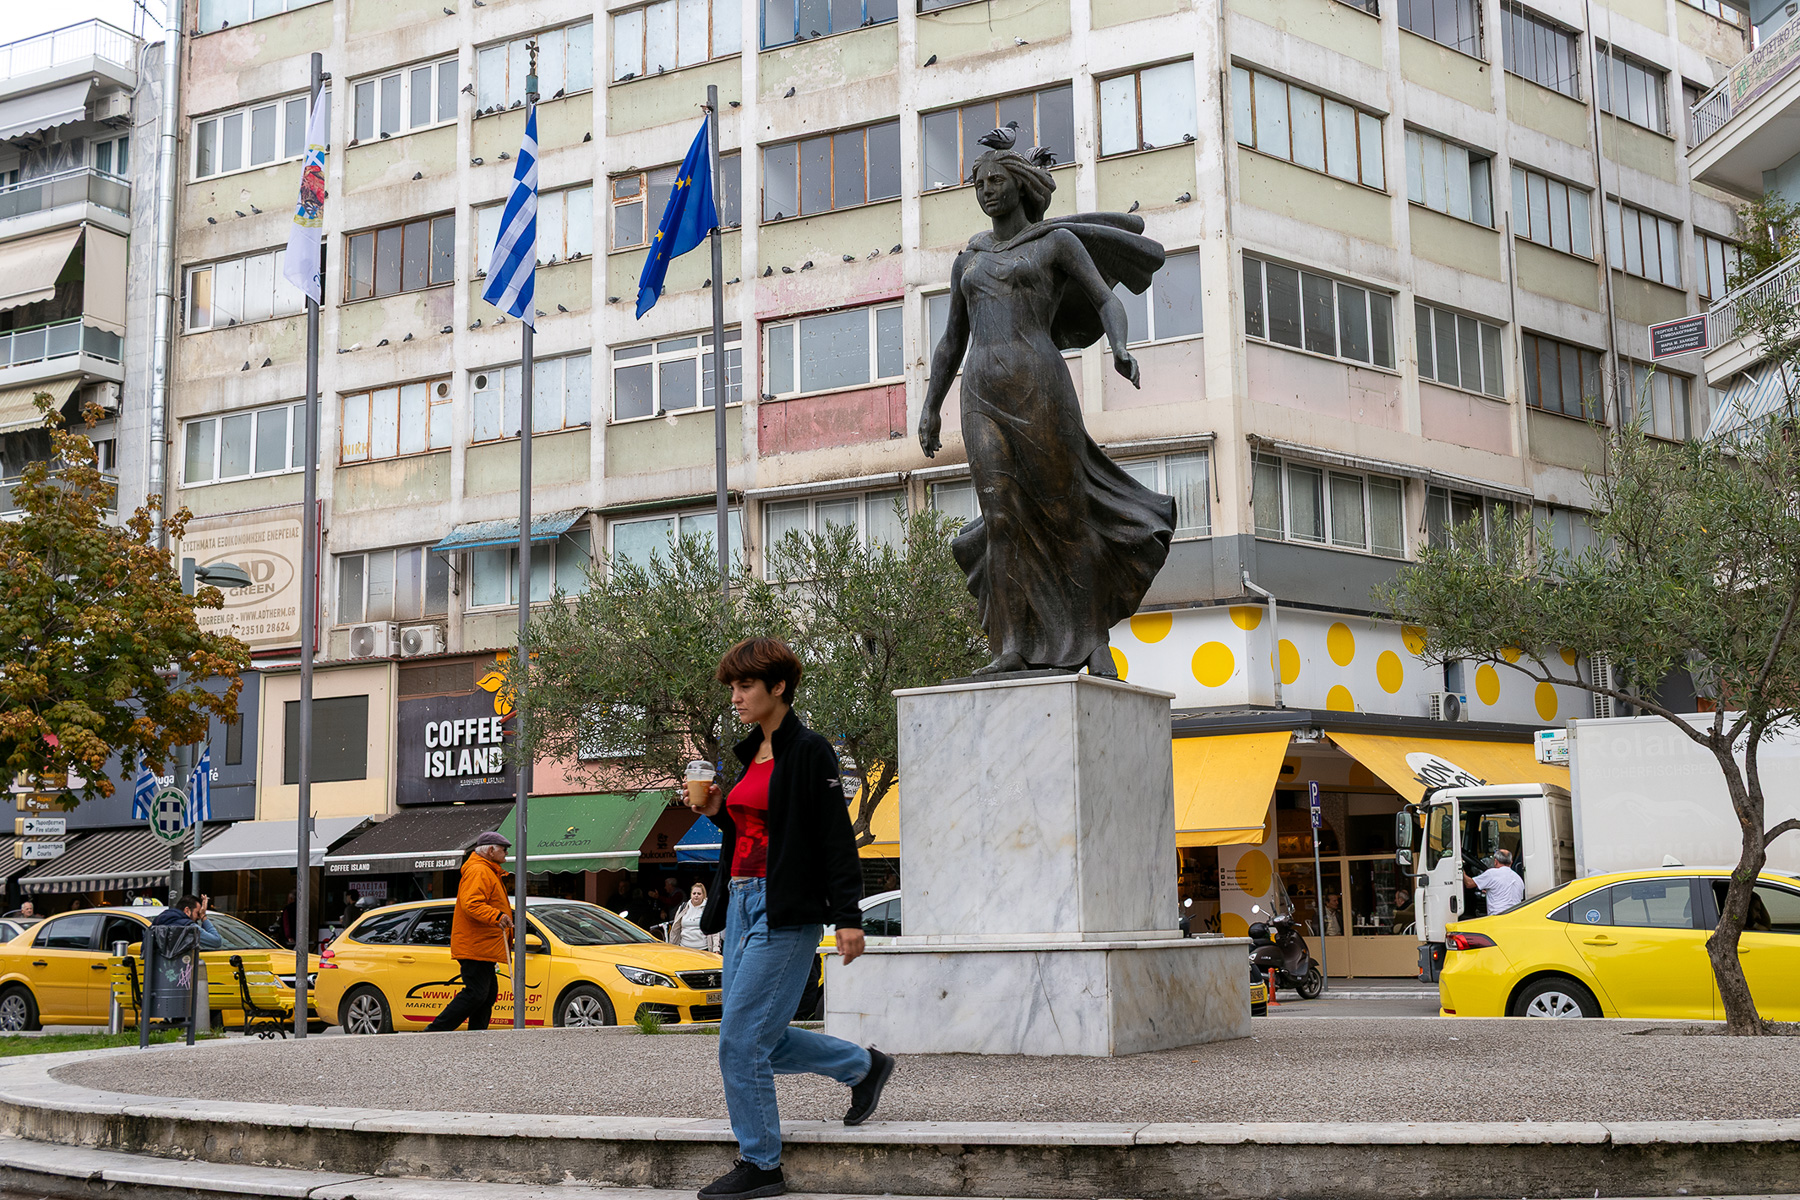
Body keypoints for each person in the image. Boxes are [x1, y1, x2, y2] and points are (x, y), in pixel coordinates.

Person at [916, 134, 1173, 677]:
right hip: (981, 394)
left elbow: (1105, 299)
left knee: (1066, 513)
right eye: (979, 183)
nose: (986, 191)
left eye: (996, 181)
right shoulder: (968, 260)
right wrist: (930, 405)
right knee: (1001, 518)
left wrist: (1121, 346)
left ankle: (1091, 637)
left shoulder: (1055, 244)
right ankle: (1010, 645)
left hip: (1041, 388)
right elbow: (949, 341)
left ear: (1022, 185)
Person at [687, 638, 895, 1200]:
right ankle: (863, 1067)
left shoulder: (809, 752)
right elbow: (753, 830)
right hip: (743, 903)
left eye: (745, 686)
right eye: (731, 686)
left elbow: (832, 837)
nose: (735, 696)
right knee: (763, 1041)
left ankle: (761, 1164)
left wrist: (848, 915)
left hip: (787, 912)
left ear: (778, 687)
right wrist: (714, 812)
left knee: (739, 1042)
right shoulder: (750, 750)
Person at [426, 831, 514, 1032]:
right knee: (477, 993)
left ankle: (476, 1033)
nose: (506, 854)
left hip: (482, 944)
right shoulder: (479, 871)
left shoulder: (487, 870)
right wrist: (498, 917)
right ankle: (436, 1031)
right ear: (491, 850)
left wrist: (499, 917)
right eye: (504, 850)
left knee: (487, 993)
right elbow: (471, 904)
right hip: (476, 944)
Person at [1465, 849, 1526, 916]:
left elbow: (1469, 883)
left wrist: (1460, 870)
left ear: (1496, 862)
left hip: (1497, 917)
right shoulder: (1518, 879)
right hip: (1514, 917)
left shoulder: (1492, 874)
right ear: (1511, 862)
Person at [153, 894, 223, 950]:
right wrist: (203, 916)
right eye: (198, 913)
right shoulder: (189, 927)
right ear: (187, 910)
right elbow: (216, 941)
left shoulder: (158, 921)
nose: (198, 917)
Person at [668, 881, 721, 953]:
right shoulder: (683, 908)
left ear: (703, 895)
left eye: (699, 894)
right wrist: (672, 946)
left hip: (703, 950)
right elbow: (676, 929)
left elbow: (715, 932)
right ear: (691, 895)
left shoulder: (709, 909)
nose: (696, 895)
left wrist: (716, 949)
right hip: (684, 948)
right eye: (694, 893)